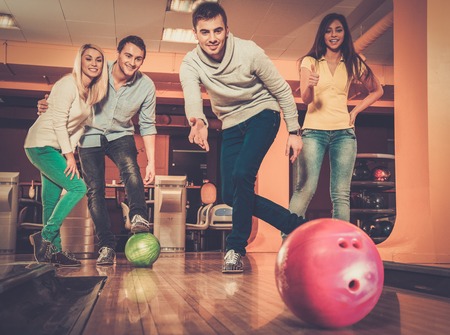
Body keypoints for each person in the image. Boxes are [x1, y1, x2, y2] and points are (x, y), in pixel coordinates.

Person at [180, 2, 307, 273]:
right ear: (195, 34)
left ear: (227, 30)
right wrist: (198, 119)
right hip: (230, 123)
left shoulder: (249, 52)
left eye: (217, 30)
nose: (212, 38)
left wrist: (294, 131)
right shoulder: (190, 62)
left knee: (241, 176)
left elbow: (283, 90)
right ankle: (294, 225)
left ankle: (235, 248)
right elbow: (191, 93)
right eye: (205, 32)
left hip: (263, 113)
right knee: (229, 193)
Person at [38, 35, 157, 266]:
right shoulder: (100, 70)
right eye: (128, 55)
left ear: (142, 61)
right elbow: (72, 87)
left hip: (121, 133)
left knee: (131, 169)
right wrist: (49, 102)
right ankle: (106, 246)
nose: (132, 62)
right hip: (90, 133)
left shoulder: (146, 86)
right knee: (95, 191)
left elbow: (148, 124)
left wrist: (152, 161)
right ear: (118, 53)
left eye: (138, 59)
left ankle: (138, 216)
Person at [288, 13, 384, 224]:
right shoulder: (310, 61)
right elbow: (305, 100)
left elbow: (377, 90)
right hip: (313, 131)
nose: (333, 35)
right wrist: (310, 85)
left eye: (338, 30)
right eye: (328, 30)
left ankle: (340, 246)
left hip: (344, 133)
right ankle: (288, 239)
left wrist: (355, 111)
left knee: (341, 194)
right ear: (322, 34)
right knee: (305, 188)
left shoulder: (352, 62)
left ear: (344, 33)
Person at [25, 44, 108, 267]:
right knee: (78, 188)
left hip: (52, 147)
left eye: (98, 60)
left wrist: (69, 154)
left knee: (50, 200)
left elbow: (78, 128)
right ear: (79, 61)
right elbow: (58, 122)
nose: (93, 63)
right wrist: (69, 156)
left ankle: (54, 251)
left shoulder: (89, 93)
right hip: (40, 144)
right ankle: (44, 237)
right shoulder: (67, 84)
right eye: (88, 58)